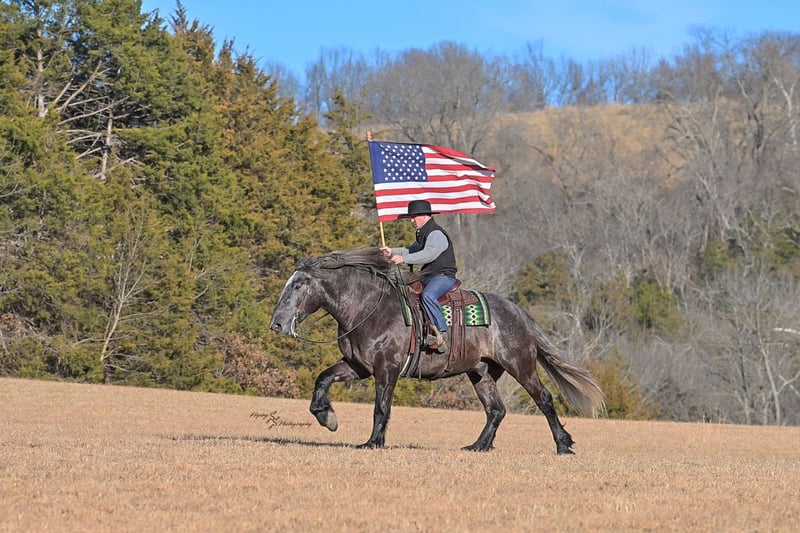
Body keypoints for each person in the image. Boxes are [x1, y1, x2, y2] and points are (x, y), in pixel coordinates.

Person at [380, 200, 457, 353]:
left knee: (428, 295)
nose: (412, 220)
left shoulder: (436, 234)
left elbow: (428, 254)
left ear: (424, 216)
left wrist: (404, 259)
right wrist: (392, 251)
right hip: (428, 276)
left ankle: (441, 333)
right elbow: (412, 250)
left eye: (414, 217)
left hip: (444, 276)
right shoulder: (423, 233)